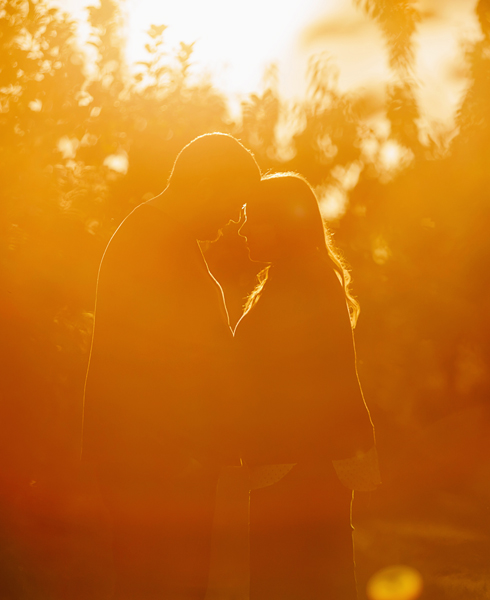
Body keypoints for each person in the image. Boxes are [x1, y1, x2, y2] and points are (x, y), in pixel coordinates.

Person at [81, 133, 261, 600]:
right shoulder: (153, 243)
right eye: (234, 201)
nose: (233, 218)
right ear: (207, 184)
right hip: (156, 462)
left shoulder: (159, 237)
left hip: (159, 458)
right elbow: (173, 359)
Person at [234, 173, 380, 600]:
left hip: (295, 470)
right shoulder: (292, 282)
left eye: (252, 219)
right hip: (294, 468)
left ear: (282, 224)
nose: (242, 230)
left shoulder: (303, 287)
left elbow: (312, 385)